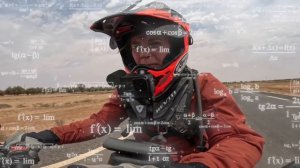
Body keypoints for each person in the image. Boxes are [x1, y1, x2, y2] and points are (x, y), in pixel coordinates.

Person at [3, 2, 265, 168]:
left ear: (176, 47)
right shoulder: (129, 89)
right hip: (135, 161)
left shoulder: (203, 84)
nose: (144, 52)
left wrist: (200, 165)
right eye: (138, 45)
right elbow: (97, 124)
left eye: (155, 44)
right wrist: (41, 137)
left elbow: (240, 140)